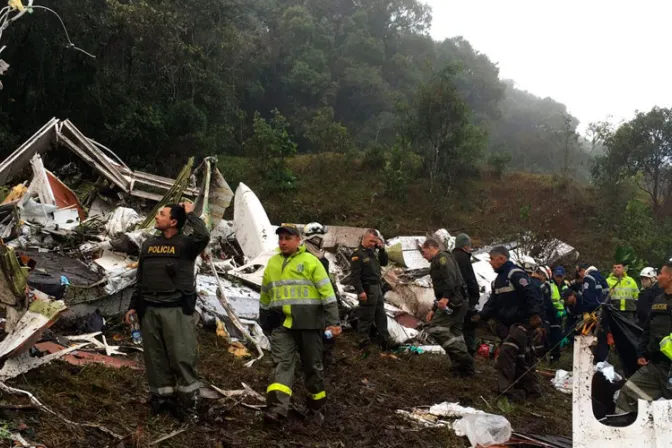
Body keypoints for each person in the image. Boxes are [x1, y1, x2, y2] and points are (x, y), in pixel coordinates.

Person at [124, 203, 210, 420]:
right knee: (155, 359)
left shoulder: (186, 245)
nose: (157, 216)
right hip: (149, 310)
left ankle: (189, 405)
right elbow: (140, 279)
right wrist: (133, 306)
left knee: (182, 357)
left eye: (161, 214)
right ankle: (162, 402)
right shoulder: (149, 245)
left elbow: (203, 235)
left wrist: (190, 214)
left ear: (173, 222)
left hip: (176, 310)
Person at [260, 224, 341, 423]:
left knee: (312, 367)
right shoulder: (272, 263)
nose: (283, 242)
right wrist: (264, 321)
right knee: (283, 364)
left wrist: (333, 322)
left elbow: (328, 295)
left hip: (309, 325)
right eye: (280, 239)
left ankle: (316, 405)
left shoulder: (312, 262)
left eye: (288, 238)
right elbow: (265, 295)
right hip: (282, 325)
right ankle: (277, 409)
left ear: (298, 240)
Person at [473, 246, 543, 402]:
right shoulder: (498, 281)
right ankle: (530, 391)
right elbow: (493, 303)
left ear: (501, 258)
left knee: (506, 352)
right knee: (521, 357)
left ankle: (505, 391)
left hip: (522, 323)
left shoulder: (515, 274)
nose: (490, 263)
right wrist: (481, 316)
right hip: (507, 325)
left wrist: (534, 315)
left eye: (492, 259)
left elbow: (530, 293)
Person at [615, 263, 672, 413]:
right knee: (628, 393)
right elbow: (647, 329)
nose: (658, 277)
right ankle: (621, 431)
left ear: (670, 277)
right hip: (655, 366)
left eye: (661, 273)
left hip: (670, 368)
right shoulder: (659, 299)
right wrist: (641, 352)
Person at [421, 238, 475, 376]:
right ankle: (462, 368)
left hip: (454, 302)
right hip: (457, 301)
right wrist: (433, 309)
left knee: (436, 328)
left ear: (430, 248)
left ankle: (465, 360)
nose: (423, 255)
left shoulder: (442, 258)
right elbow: (440, 289)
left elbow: (449, 279)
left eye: (423, 251)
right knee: (456, 333)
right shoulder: (439, 260)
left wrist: (445, 298)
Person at [303, 222, 341, 365]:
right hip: (311, 301)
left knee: (327, 328)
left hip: (321, 299)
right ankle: (317, 356)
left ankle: (325, 353)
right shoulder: (306, 257)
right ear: (316, 238)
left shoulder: (321, 258)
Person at [350, 229, 390, 349]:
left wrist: (382, 249)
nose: (373, 243)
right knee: (366, 316)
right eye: (371, 241)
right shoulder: (358, 254)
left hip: (377, 287)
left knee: (381, 315)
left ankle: (385, 340)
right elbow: (355, 276)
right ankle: (363, 341)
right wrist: (360, 291)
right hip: (367, 288)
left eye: (375, 241)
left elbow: (384, 262)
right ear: (364, 238)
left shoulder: (373, 252)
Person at [452, 233, 480, 357]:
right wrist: (475, 297)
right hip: (465, 300)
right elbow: (470, 280)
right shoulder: (464, 258)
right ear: (465, 246)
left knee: (455, 330)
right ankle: (469, 357)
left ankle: (457, 357)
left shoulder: (451, 257)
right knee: (468, 329)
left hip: (451, 299)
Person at [531, 266, 559, 360]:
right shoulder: (541, 287)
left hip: (527, 316)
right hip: (539, 317)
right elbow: (546, 303)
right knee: (541, 340)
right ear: (542, 275)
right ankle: (539, 360)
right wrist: (555, 312)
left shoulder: (527, 282)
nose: (545, 281)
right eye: (545, 278)